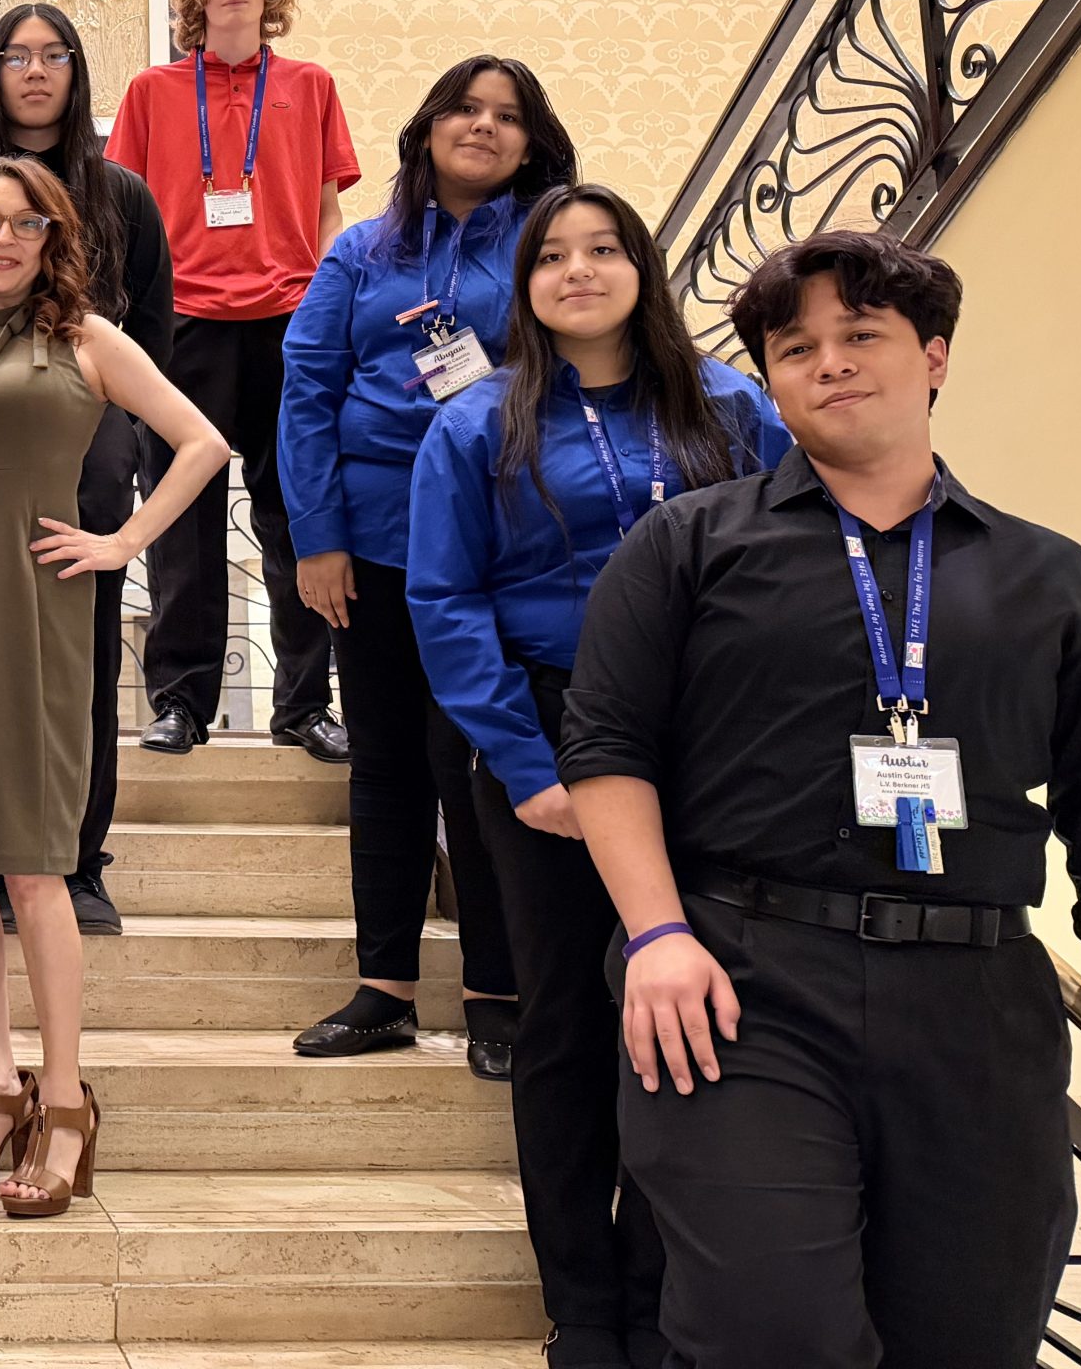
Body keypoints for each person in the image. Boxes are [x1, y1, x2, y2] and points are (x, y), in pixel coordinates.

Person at [560, 230, 1081, 1369]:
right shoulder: (686, 545)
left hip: (977, 1001)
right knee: (773, 1331)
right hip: (735, 982)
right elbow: (605, 747)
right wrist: (657, 933)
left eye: (860, 334)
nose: (829, 362)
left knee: (969, 1336)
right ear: (768, 379)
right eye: (794, 347)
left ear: (934, 357)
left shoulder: (1051, 578)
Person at [407, 185, 788, 1368]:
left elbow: (799, 554)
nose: (579, 271)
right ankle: (583, 1303)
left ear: (643, 266)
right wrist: (525, 766)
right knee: (569, 1022)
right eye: (552, 256)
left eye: (604, 249)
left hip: (711, 740)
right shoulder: (475, 424)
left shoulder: (730, 405)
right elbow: (444, 602)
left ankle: (663, 1283)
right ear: (523, 285)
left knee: (697, 1013)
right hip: (548, 734)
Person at [0, 158, 228, 1219]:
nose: (0, 238)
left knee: (34, 869)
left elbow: (202, 442)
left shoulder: (84, 339)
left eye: (23, 222)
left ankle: (67, 1098)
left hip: (34, 617)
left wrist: (122, 538)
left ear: (50, 237)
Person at [278, 56, 575, 1077]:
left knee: (478, 768)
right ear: (427, 125)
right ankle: (385, 989)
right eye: (465, 108)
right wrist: (315, 540)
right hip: (366, 551)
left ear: (531, 142)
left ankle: (496, 990)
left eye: (507, 116)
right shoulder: (360, 252)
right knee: (387, 770)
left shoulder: (545, 246)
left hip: (497, 553)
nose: (483, 127)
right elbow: (306, 391)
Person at [0, 1, 174, 933]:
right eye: (16, 54)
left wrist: (129, 467)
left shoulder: (122, 194)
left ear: (78, 70)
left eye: (54, 54)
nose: (36, 70)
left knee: (75, 667)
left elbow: (156, 337)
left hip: (80, 455)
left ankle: (74, 857)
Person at [106, 0, 356, 764]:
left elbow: (326, 212)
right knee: (184, 522)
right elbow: (125, 220)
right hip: (185, 327)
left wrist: (328, 308)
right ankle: (180, 700)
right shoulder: (152, 92)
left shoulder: (311, 85)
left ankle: (303, 705)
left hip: (290, 323)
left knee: (297, 518)